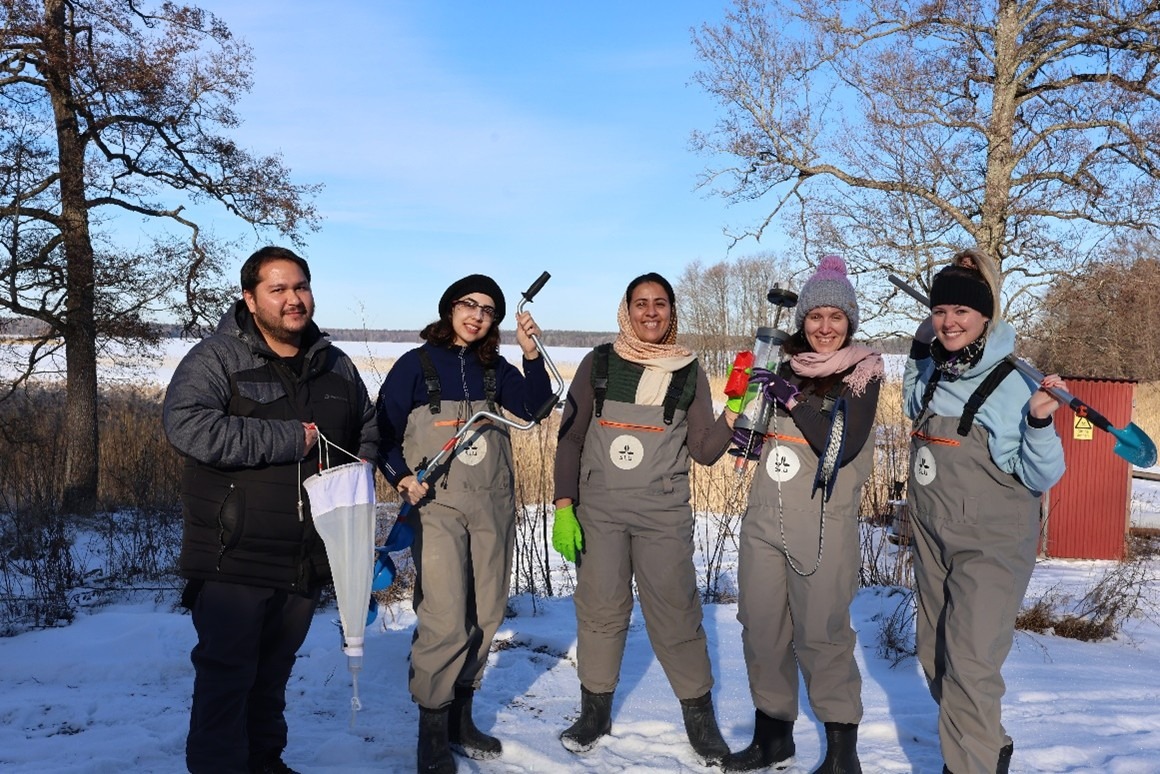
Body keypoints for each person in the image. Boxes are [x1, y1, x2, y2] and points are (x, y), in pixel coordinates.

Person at [162, 246, 378, 774]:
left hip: (306, 555)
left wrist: (364, 466)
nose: (292, 299)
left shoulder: (335, 363)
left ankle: (264, 763)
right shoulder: (217, 358)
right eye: (277, 289)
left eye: (300, 287)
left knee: (273, 675)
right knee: (226, 679)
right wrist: (284, 439)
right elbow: (186, 424)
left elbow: (367, 425)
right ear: (250, 298)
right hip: (234, 554)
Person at [550, 272, 736, 766]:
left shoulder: (689, 371)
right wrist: (564, 506)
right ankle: (594, 713)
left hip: (662, 513)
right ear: (626, 310)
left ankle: (700, 720)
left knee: (677, 612)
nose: (650, 312)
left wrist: (734, 414)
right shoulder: (599, 362)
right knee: (600, 609)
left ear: (672, 311)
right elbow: (570, 437)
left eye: (660, 303)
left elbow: (704, 451)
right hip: (600, 511)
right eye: (640, 303)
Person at [375, 274, 552, 774]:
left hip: (493, 507)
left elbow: (536, 408)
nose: (477, 316)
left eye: (488, 310)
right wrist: (401, 478)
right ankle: (432, 730)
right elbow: (380, 432)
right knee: (445, 615)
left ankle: (461, 719)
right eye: (469, 305)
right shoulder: (415, 366)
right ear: (449, 308)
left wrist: (532, 354)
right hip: (438, 508)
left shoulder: (495, 369)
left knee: (486, 611)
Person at [903, 248, 1066, 774]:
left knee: (970, 667)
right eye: (940, 310)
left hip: (992, 541)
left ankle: (968, 765)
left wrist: (1039, 421)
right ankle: (988, 747)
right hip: (934, 534)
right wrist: (916, 353)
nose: (949, 322)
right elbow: (912, 407)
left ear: (985, 316)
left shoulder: (1015, 382)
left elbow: (1042, 475)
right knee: (935, 657)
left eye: (962, 311)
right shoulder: (936, 368)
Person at [723, 255, 884, 774]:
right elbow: (745, 439)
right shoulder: (781, 365)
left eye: (835, 317)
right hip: (765, 521)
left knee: (822, 634)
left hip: (823, 525)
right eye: (815, 316)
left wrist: (791, 399)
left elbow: (841, 444)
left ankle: (842, 754)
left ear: (849, 322)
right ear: (802, 320)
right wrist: (745, 402)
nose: (824, 327)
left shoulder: (863, 372)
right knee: (761, 628)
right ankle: (773, 738)